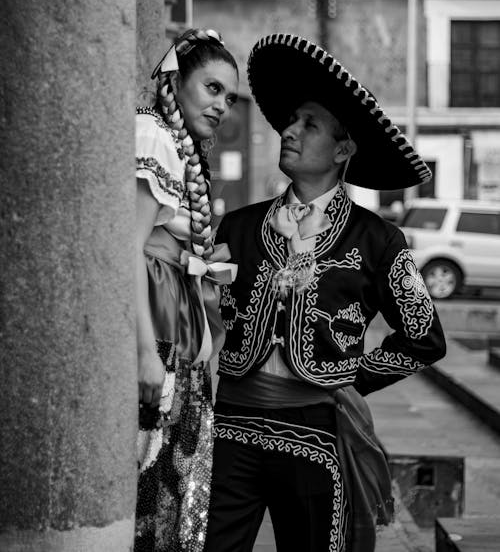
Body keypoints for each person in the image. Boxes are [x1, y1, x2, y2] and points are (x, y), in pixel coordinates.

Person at [204, 33, 447, 552]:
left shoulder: (378, 238)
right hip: (233, 425)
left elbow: (424, 339)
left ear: (343, 149)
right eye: (292, 120)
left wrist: (346, 377)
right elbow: (202, 313)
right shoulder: (238, 229)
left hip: (316, 430)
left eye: (308, 124)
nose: (288, 130)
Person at [134, 28, 239, 552]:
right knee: (153, 488)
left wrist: (201, 261)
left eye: (229, 97)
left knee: (176, 492)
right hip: (156, 327)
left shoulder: (180, 148)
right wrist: (144, 357)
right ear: (177, 82)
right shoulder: (152, 135)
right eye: (213, 88)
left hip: (176, 322)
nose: (222, 105)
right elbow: (128, 246)